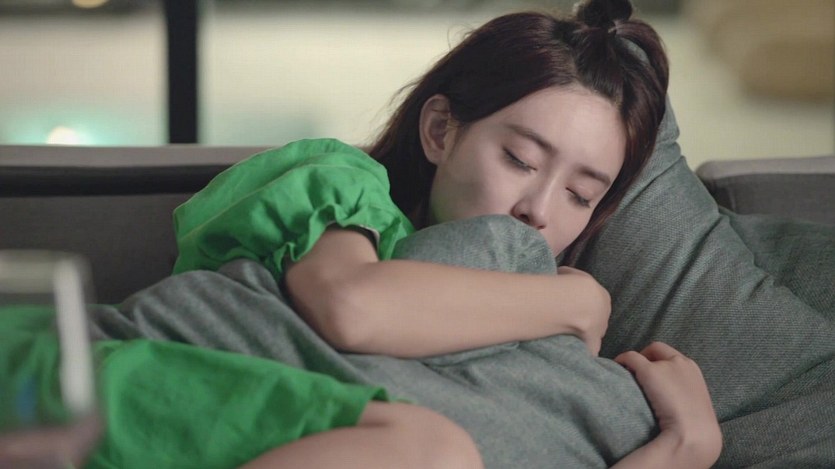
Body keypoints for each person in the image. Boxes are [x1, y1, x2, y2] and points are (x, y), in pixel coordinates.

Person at [1, 0, 720, 467]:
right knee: (431, 449)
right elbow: (352, 305)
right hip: (69, 387)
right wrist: (577, 301)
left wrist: (683, 449)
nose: (539, 209)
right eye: (519, 159)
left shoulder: (528, 358)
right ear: (440, 130)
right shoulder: (340, 182)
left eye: (580, 195)